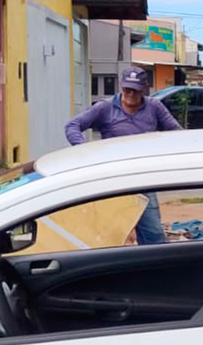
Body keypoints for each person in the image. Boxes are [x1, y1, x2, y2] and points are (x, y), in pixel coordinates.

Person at [63, 66, 182, 244]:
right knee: (109, 235)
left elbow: (178, 134)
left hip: (143, 178)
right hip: (112, 178)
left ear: (144, 89)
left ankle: (151, 268)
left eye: (136, 90)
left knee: (154, 235)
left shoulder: (154, 107)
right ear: (121, 86)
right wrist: (84, 151)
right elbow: (72, 126)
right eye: (127, 89)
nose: (131, 94)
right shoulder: (105, 107)